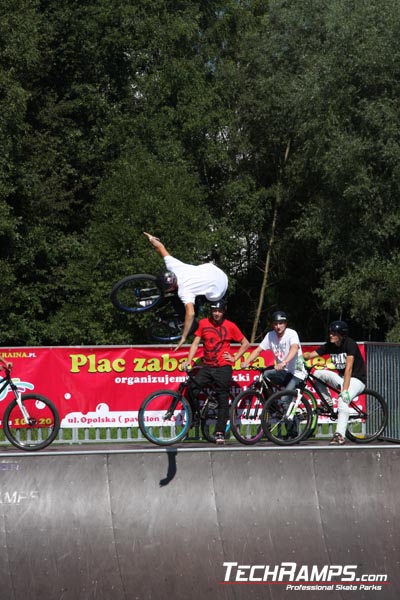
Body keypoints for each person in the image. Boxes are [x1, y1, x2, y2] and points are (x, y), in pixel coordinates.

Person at [144, 232, 228, 351]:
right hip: (215, 271)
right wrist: (151, 238)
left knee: (179, 300)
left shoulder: (185, 291)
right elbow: (160, 247)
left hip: (218, 291)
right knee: (177, 295)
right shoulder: (174, 266)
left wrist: (183, 336)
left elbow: (191, 313)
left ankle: (187, 319)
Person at [182, 300, 249, 445]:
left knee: (222, 398)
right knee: (192, 388)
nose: (216, 314)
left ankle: (219, 432)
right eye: (214, 311)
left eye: (219, 311)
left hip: (223, 367)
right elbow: (195, 343)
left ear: (224, 311)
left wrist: (235, 357)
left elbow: (245, 343)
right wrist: (188, 360)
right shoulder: (204, 323)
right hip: (207, 367)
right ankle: (194, 417)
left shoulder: (230, 326)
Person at [241, 310, 306, 438]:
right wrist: (246, 362)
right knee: (265, 375)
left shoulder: (291, 334)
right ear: (272, 325)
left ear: (285, 324)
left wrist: (285, 362)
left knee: (285, 399)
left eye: (281, 323)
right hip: (284, 372)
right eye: (276, 323)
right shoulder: (270, 335)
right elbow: (258, 350)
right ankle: (272, 407)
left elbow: (294, 348)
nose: (278, 326)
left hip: (297, 373)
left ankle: (292, 432)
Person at [302, 320, 366, 446]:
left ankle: (339, 436)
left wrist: (345, 390)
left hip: (356, 379)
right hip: (343, 379)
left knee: (342, 400)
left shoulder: (350, 344)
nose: (331, 335)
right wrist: (300, 357)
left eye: (334, 333)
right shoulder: (330, 345)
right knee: (318, 374)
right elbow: (310, 355)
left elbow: (349, 368)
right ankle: (328, 404)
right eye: (330, 332)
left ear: (342, 334)